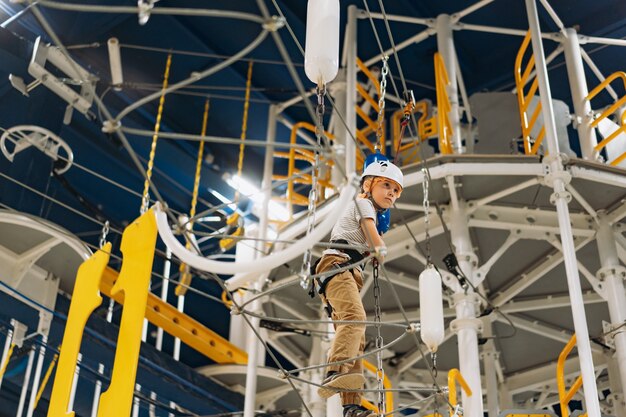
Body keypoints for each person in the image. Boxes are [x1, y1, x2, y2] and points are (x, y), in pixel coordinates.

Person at [314, 160, 403, 417]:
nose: (391, 193)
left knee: (357, 339)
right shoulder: (362, 203)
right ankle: (334, 371)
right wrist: (379, 248)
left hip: (347, 270)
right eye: (386, 185)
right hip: (337, 265)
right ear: (368, 185)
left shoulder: (369, 209)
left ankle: (351, 406)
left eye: (396, 191)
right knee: (355, 320)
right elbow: (372, 236)